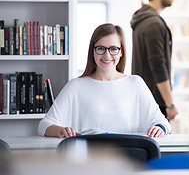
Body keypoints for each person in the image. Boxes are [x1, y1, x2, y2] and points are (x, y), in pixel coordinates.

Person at [38, 23, 171, 138]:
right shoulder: (76, 86)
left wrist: (160, 128)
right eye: (101, 48)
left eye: (113, 49)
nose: (107, 55)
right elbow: (44, 125)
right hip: (90, 161)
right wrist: (60, 130)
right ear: (93, 51)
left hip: (130, 160)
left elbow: (163, 123)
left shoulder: (136, 83)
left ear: (121, 52)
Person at [131, 0, 178, 120]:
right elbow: (158, 65)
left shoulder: (143, 19)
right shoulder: (154, 24)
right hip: (155, 103)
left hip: (144, 100)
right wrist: (170, 104)